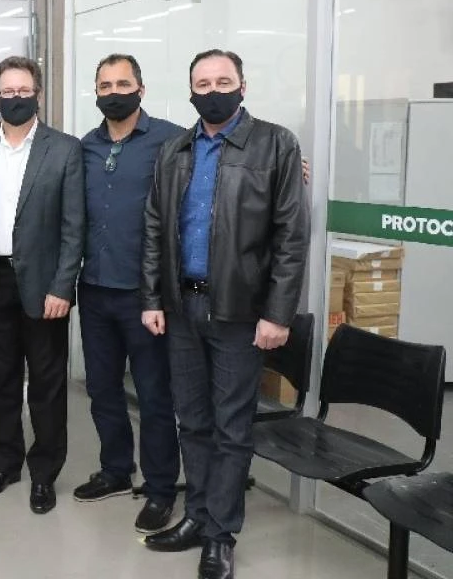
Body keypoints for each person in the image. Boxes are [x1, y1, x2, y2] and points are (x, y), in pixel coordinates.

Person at [141, 49, 308, 579]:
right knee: (192, 421)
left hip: (240, 313)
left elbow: (291, 236)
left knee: (232, 428)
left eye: (223, 80)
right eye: (202, 83)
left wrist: (278, 313)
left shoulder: (276, 144)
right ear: (190, 90)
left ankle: (219, 535)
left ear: (242, 85)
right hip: (182, 307)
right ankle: (196, 516)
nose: (213, 90)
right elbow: (154, 228)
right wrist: (152, 299)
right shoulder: (175, 149)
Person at [0, 55, 85, 515]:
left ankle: (44, 473)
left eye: (24, 91)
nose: (15, 98)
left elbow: (74, 226)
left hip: (44, 285)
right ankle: (5, 464)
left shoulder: (64, 149)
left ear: (38, 94)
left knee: (47, 384)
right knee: (0, 380)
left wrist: (63, 286)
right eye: (7, 92)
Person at [73, 54, 183, 533]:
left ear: (141, 88)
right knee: (102, 388)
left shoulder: (172, 139)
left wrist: (286, 162)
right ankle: (116, 470)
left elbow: (227, 158)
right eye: (105, 85)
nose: (114, 92)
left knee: (154, 396)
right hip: (95, 289)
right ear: (96, 92)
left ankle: (160, 488)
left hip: (147, 294)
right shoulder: (85, 146)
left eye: (123, 83)